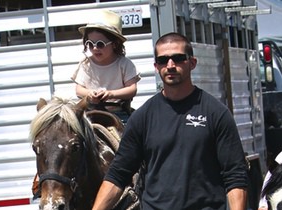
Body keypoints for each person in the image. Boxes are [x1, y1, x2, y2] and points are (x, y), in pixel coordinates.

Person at [92, 32, 249, 210]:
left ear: (192, 63)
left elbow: (235, 175)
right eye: (163, 60)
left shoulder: (216, 113)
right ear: (156, 67)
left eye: (178, 58)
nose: (170, 65)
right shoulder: (143, 117)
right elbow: (118, 175)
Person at [71, 9, 140, 124]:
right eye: (90, 44)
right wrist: (90, 94)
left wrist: (111, 94)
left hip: (119, 113)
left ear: (115, 44)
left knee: (131, 135)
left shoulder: (124, 64)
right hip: (90, 113)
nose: (95, 48)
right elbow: (79, 89)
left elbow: (132, 89)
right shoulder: (86, 65)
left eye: (100, 44)